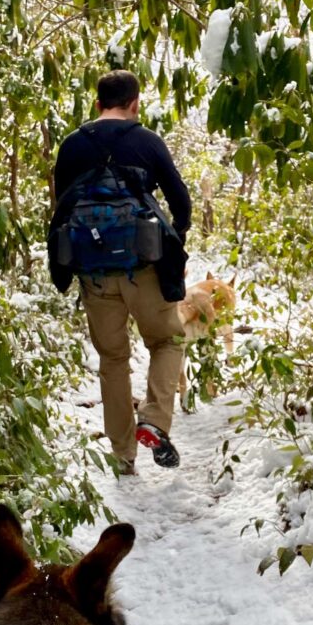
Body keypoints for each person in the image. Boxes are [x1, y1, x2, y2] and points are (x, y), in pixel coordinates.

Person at [51, 70, 191, 474]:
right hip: (143, 268)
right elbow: (181, 204)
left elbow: (62, 206)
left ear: (98, 105)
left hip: (94, 272)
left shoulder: (73, 145)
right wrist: (171, 240)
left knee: (113, 360)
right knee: (166, 341)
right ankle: (154, 420)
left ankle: (123, 455)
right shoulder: (147, 142)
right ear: (135, 104)